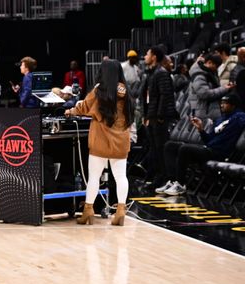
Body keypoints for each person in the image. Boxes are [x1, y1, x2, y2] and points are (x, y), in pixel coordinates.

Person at [65, 60, 133, 225]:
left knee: (94, 176)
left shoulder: (99, 90)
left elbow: (84, 107)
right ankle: (120, 211)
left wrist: (70, 111)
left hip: (101, 140)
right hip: (121, 140)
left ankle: (88, 210)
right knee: (121, 176)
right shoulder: (126, 91)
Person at [160, 94, 245, 196]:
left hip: (219, 153)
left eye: (225, 103)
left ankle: (180, 185)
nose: (222, 105)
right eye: (221, 103)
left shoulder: (239, 117)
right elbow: (208, 140)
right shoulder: (220, 120)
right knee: (169, 146)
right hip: (208, 149)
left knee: (185, 148)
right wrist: (201, 129)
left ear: (233, 105)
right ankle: (172, 181)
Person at [143, 46, 179, 190]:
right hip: (151, 116)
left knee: (161, 149)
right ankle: (159, 177)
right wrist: (147, 116)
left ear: (154, 57)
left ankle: (165, 178)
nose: (145, 56)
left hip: (159, 118)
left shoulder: (161, 73)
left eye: (147, 54)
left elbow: (165, 95)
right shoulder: (151, 73)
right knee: (155, 149)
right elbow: (148, 97)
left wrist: (159, 116)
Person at [188, 54, 232, 122]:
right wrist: (224, 89)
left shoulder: (209, 73)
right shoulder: (199, 76)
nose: (216, 68)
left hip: (208, 112)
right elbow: (205, 94)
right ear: (209, 62)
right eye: (216, 66)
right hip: (204, 115)